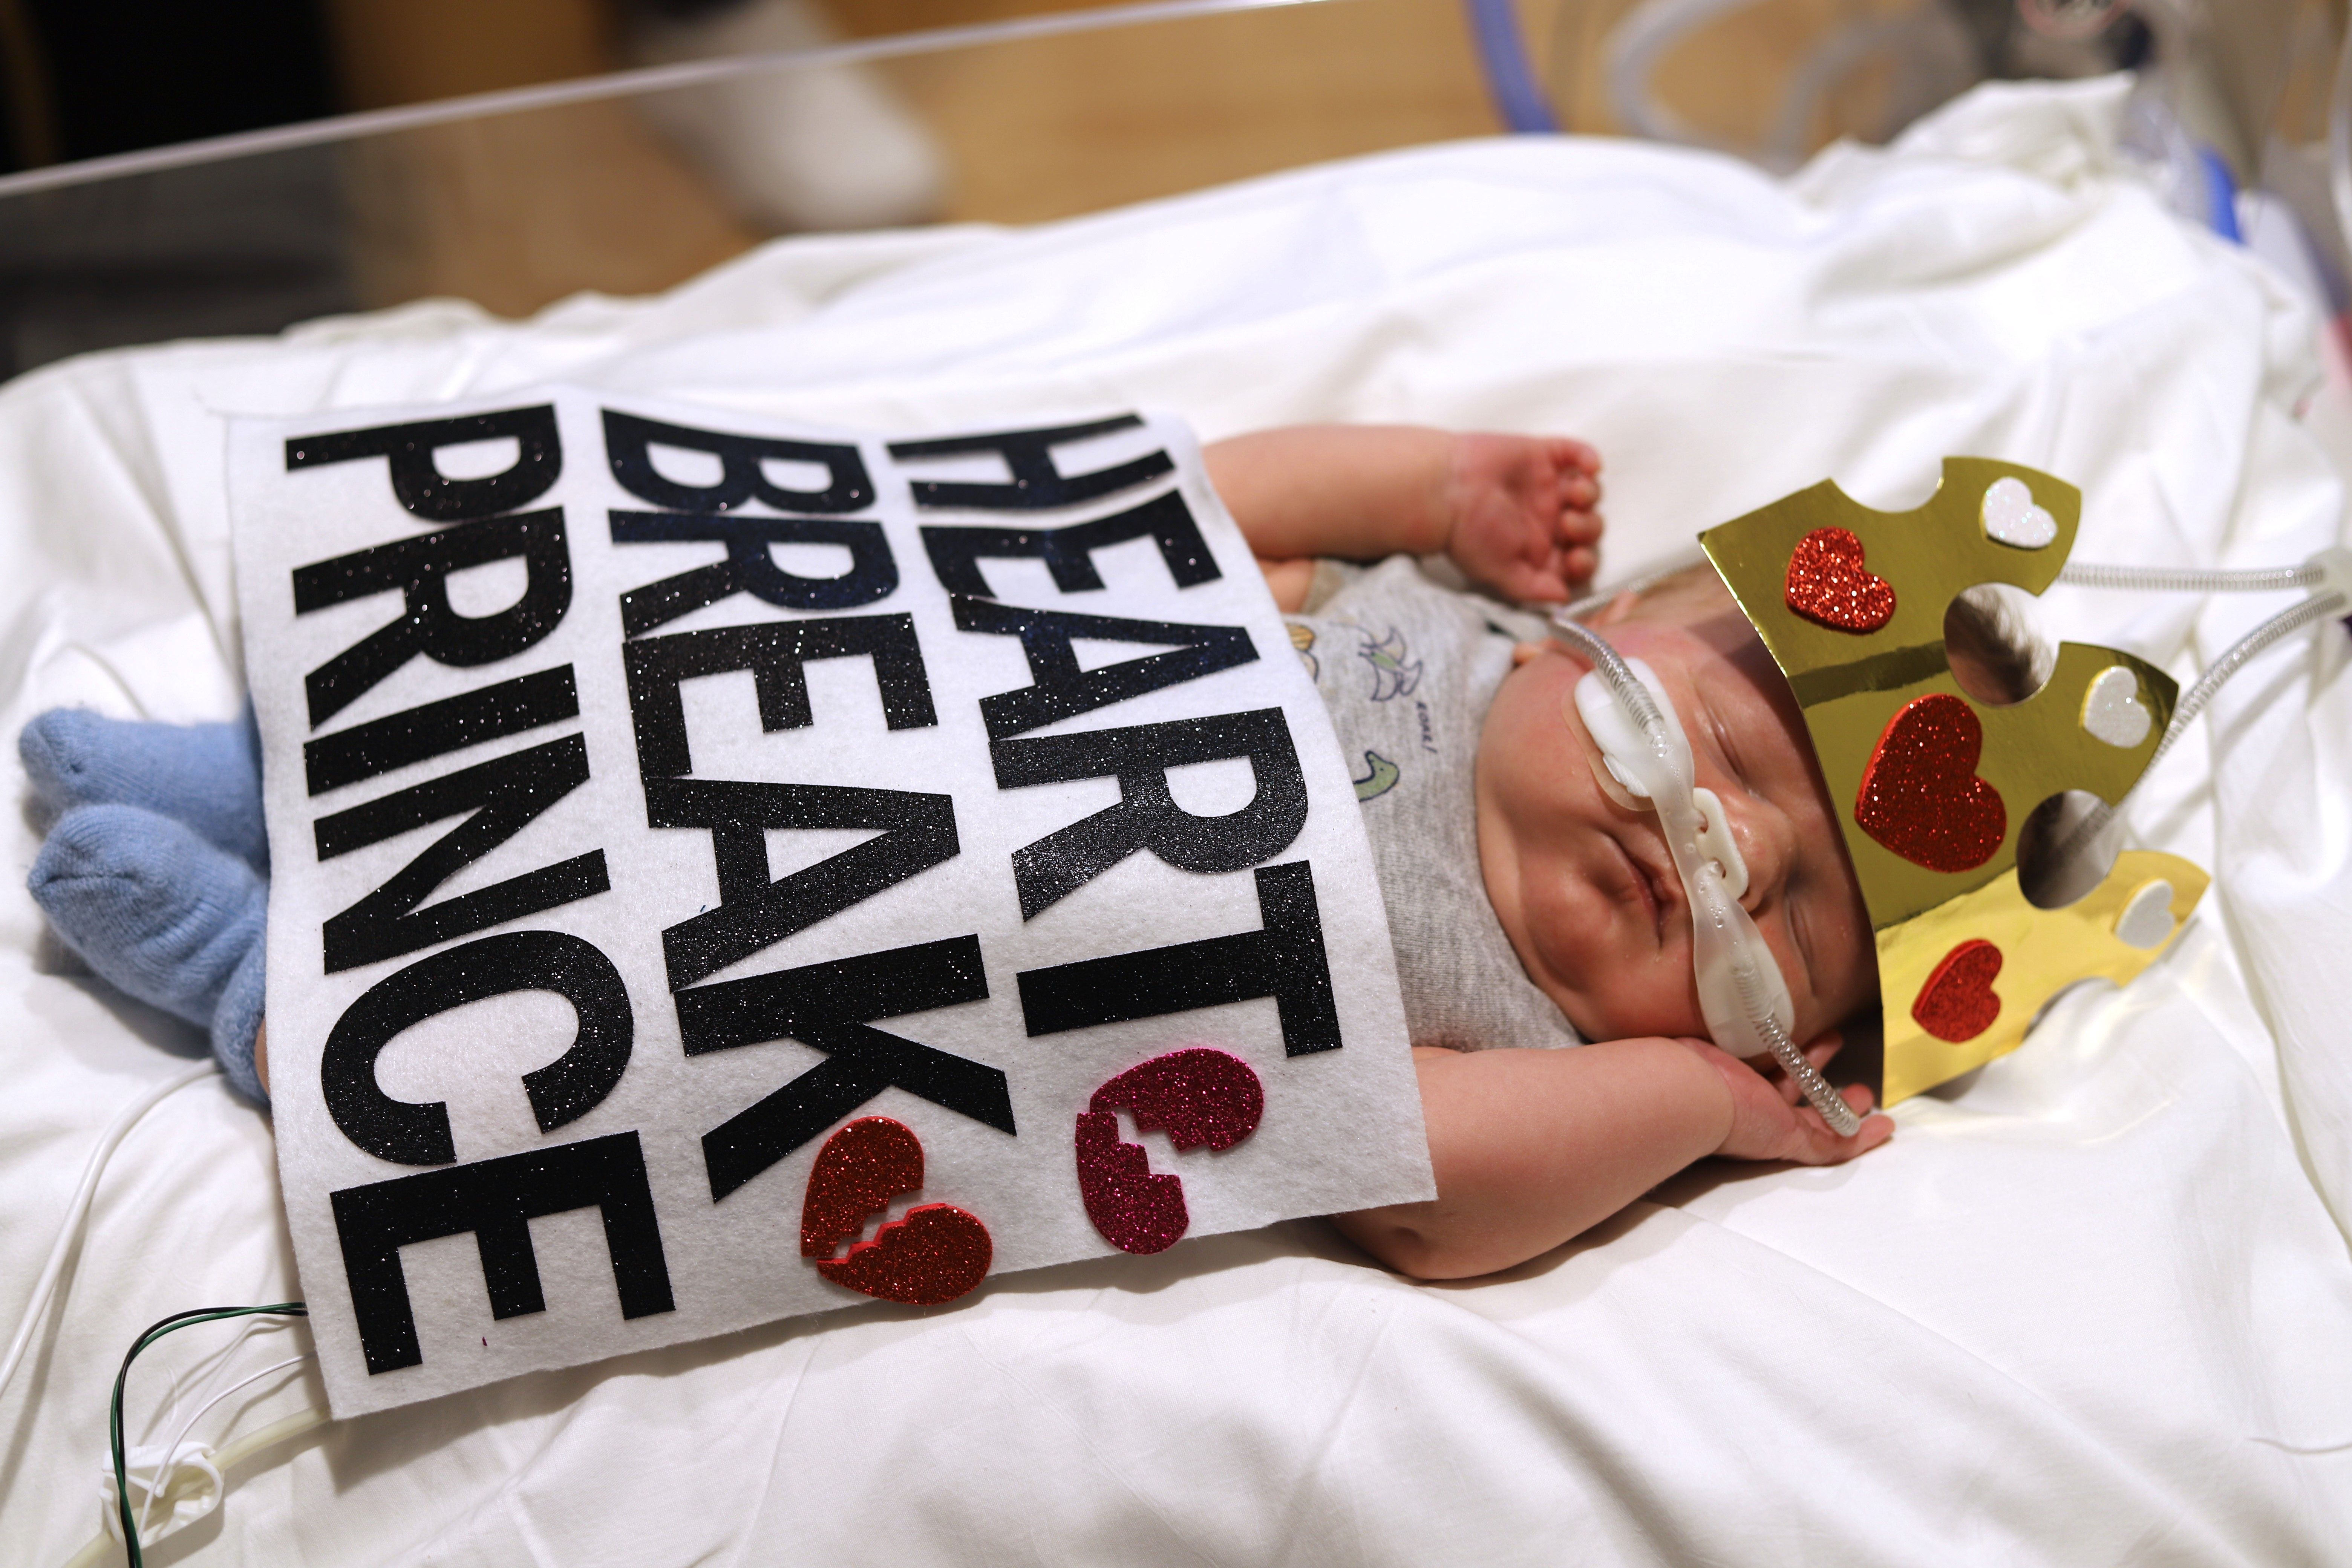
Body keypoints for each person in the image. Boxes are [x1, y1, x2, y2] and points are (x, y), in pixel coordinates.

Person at [19, 424, 1891, 1285]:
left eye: (1793, 920)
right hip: (882, 710)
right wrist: (1417, 490)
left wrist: (1693, 1103)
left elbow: (1424, 1193)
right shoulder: (1426, 632)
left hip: (897, 922)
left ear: (1775, 1038)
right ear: (1616, 614)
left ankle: (271, 976)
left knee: (653, 1009)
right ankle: (302, 757)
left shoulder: (1542, 1044)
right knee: (649, 662)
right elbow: (1152, 532)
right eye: (1717, 745)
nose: (1718, 847)